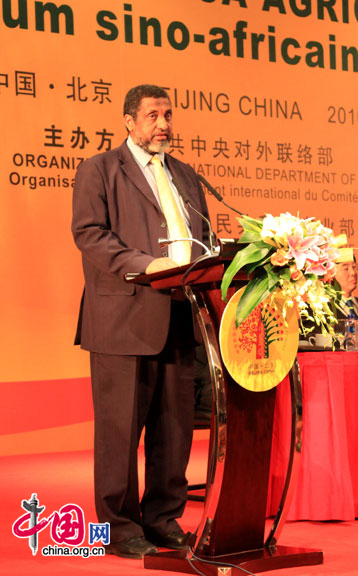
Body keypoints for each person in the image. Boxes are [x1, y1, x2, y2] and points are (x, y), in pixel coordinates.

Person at [72, 84, 210, 559]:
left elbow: (203, 238)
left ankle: (163, 518)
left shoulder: (186, 176)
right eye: (153, 115)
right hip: (123, 317)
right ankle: (117, 525)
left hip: (179, 313)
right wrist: (142, 263)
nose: (164, 124)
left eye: (168, 114)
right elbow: (89, 233)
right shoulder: (100, 169)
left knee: (174, 428)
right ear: (129, 121)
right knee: (120, 430)